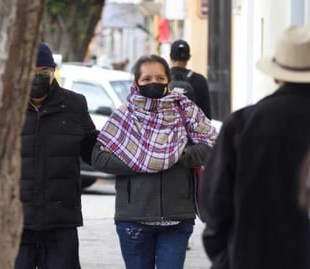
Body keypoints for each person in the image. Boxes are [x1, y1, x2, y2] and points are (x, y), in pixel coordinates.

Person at [199, 25, 310, 269]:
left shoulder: (242, 125)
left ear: (276, 75)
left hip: (251, 258)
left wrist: (225, 256)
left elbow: (214, 204)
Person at [91, 54, 216, 269]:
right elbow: (99, 157)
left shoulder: (185, 110)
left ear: (168, 80)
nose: (154, 83)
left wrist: (179, 156)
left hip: (177, 217)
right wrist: (143, 160)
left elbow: (211, 146)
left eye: (159, 78)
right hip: (133, 219)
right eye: (147, 79)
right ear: (136, 83)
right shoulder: (124, 115)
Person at [15, 42, 98, 269]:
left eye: (44, 72)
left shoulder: (74, 104)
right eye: (30, 72)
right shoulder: (7, 108)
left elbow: (93, 149)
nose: (38, 78)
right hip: (17, 222)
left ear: (53, 72)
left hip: (61, 221)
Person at [169, 39, 212, 119]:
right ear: (189, 57)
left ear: (170, 56)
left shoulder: (162, 78)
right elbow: (207, 116)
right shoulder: (200, 80)